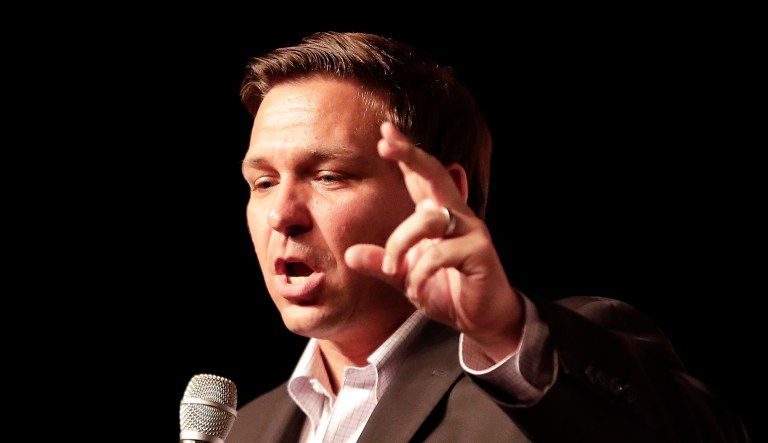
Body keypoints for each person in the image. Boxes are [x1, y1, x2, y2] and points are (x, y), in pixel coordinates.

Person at [226, 31, 750, 443]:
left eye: (329, 176)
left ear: (439, 196)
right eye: (264, 183)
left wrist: (504, 331)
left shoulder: (540, 367)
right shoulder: (242, 430)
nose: (282, 215)